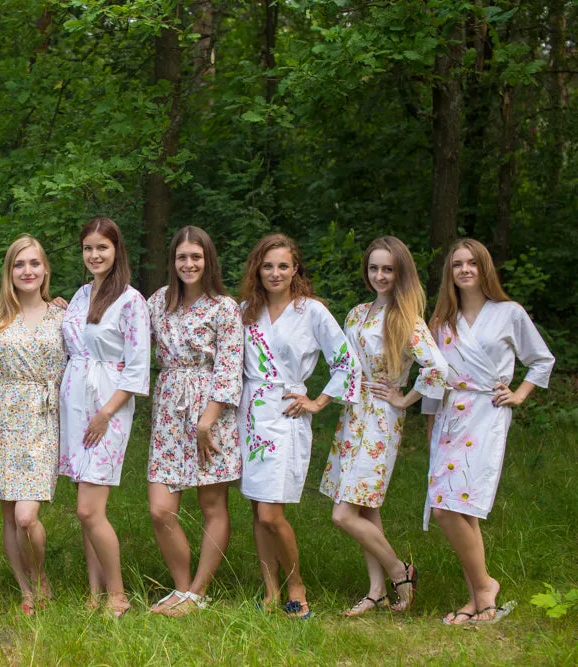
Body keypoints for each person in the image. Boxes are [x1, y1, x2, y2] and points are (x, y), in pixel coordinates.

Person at [423, 239, 554, 626]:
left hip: (486, 413)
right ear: (450, 272)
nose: (464, 269)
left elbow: (541, 359)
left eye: (472, 263)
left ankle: (484, 587)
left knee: (450, 508)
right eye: (457, 264)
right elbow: (432, 377)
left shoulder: (508, 313)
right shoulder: (441, 322)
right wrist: (430, 424)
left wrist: (518, 395)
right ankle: (479, 600)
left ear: (484, 269)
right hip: (448, 419)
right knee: (458, 508)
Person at [319, 236, 447, 615]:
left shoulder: (406, 319)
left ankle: (400, 571)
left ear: (400, 272)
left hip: (380, 421)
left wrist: (405, 397)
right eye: (374, 268)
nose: (379, 275)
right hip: (353, 415)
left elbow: (438, 368)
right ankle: (376, 591)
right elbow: (345, 363)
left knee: (343, 514)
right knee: (365, 510)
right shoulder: (358, 313)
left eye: (387, 269)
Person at [236, 233, 361, 619]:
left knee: (273, 514)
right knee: (258, 509)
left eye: (283, 266)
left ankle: (296, 585)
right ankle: (270, 591)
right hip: (251, 414)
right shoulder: (246, 310)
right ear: (258, 268)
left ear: (295, 270)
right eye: (268, 265)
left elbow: (346, 362)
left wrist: (318, 401)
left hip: (288, 414)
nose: (275, 273)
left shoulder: (312, 312)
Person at [145, 226, 244, 616]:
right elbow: (123, 329)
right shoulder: (158, 303)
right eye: (182, 257)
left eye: (196, 257)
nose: (189, 264)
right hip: (170, 408)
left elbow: (229, 368)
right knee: (160, 508)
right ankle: (182, 589)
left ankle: (198, 592)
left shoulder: (224, 307)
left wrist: (208, 421)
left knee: (211, 502)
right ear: (173, 262)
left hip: (211, 411)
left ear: (208, 261)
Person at [59, 217, 150, 617]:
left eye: (102, 248)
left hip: (107, 405)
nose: (94, 255)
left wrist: (105, 413)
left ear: (117, 251)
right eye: (88, 248)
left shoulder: (131, 301)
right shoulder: (80, 295)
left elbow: (137, 368)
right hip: (75, 400)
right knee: (86, 505)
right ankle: (93, 592)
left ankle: (117, 594)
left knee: (88, 508)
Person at [0, 235, 67, 615]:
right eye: (19, 264)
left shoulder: (63, 315)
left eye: (34, 263)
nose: (27, 271)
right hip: (3, 415)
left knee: (28, 515)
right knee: (10, 514)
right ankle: (26, 590)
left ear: (45, 270)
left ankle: (40, 576)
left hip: (44, 416)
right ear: (9, 272)